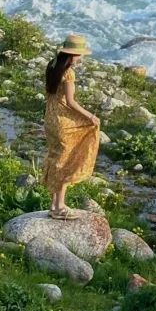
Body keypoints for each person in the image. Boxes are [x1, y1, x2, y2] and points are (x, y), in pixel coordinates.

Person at [42, 33, 101, 219]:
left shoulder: (52, 66)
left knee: (55, 157)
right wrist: (90, 116)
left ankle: (54, 205)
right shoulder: (68, 73)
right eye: (79, 54)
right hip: (62, 121)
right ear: (72, 55)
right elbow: (70, 102)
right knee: (65, 161)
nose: (81, 58)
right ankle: (59, 207)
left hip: (50, 117)